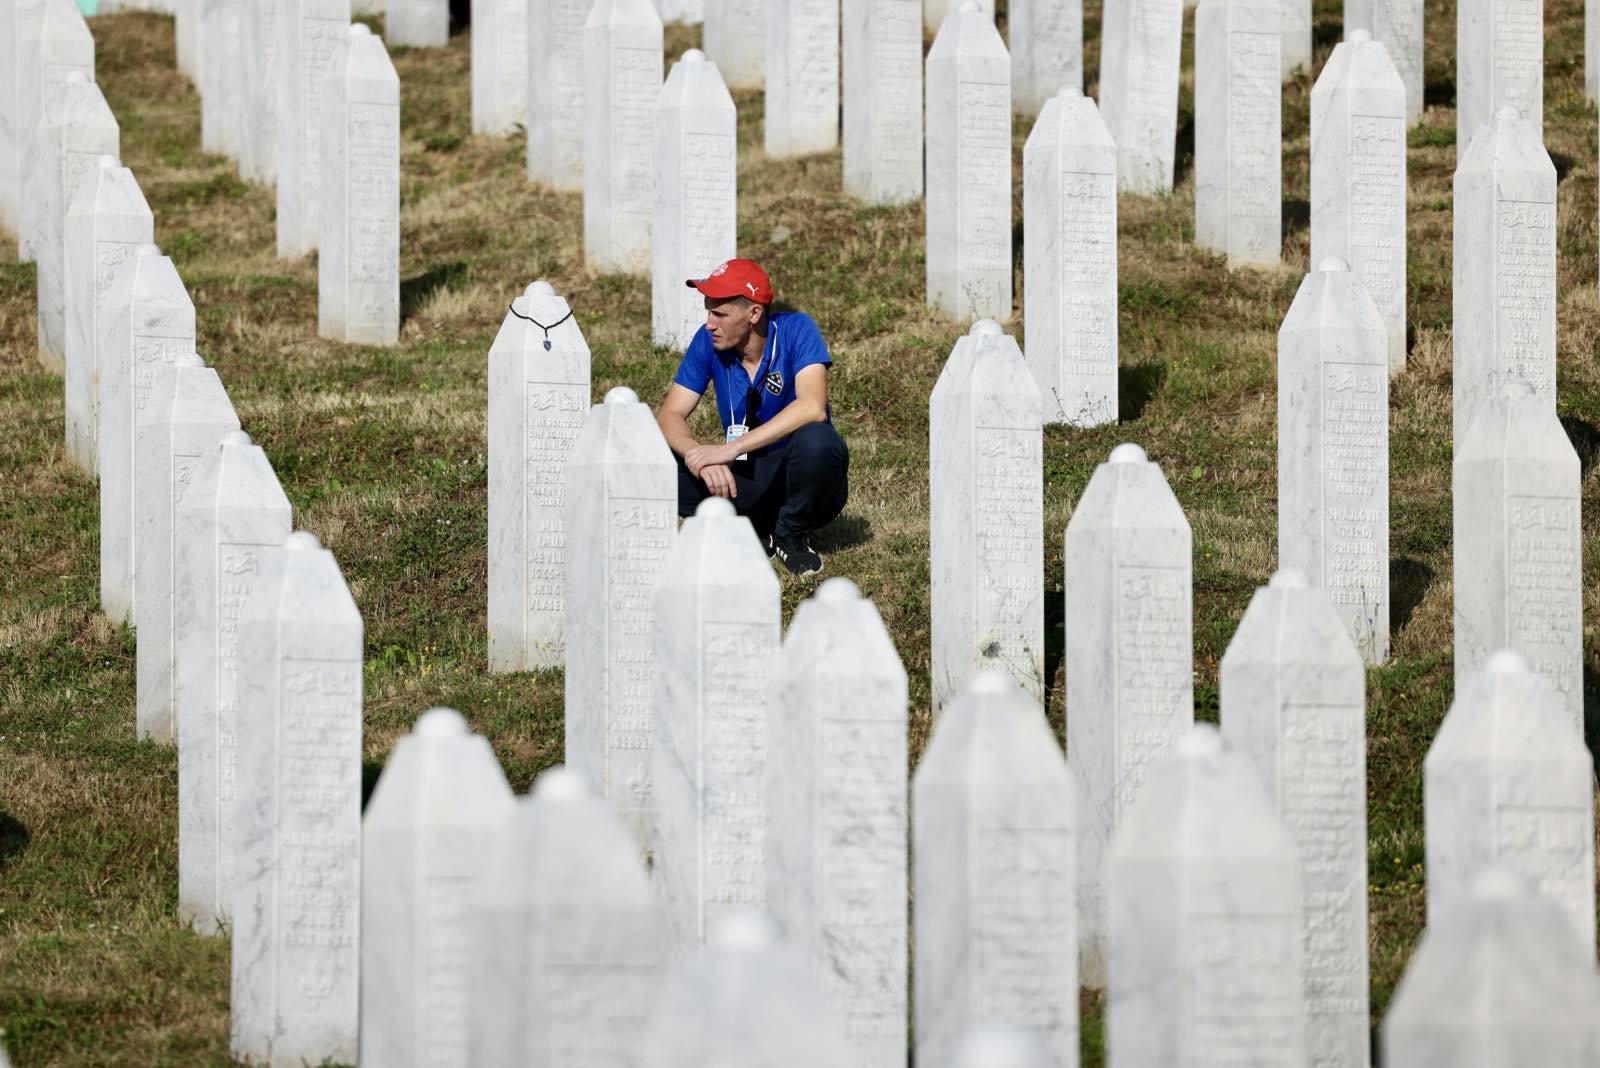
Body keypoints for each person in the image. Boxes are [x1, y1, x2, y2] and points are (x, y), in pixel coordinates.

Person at [657, 259, 849, 577]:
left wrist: (728, 449)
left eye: (719, 314)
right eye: (708, 312)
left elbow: (812, 406)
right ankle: (752, 531)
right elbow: (670, 413)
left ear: (754, 314)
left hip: (800, 478)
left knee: (819, 440)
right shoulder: (708, 341)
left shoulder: (796, 329)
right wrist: (696, 453)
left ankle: (791, 533)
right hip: (744, 477)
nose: (709, 323)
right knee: (659, 458)